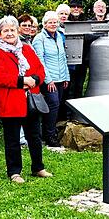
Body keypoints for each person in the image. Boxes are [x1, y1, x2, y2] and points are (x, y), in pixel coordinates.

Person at [0, 16, 52, 184]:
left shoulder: (26, 49)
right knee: (12, 139)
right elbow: (1, 77)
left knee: (34, 136)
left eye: (12, 30)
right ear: (0, 34)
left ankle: (38, 167)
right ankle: (14, 172)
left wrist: (34, 80)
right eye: (5, 31)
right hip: (10, 101)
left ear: (17, 31)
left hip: (30, 99)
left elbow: (40, 69)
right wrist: (22, 81)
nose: (9, 33)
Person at [32, 11, 69, 147]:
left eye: (55, 22)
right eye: (50, 22)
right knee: (52, 105)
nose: (53, 24)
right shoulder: (39, 39)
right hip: (49, 79)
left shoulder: (59, 36)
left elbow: (63, 57)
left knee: (56, 106)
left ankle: (47, 133)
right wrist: (48, 80)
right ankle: (50, 137)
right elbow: (40, 61)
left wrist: (66, 77)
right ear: (44, 24)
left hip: (60, 78)